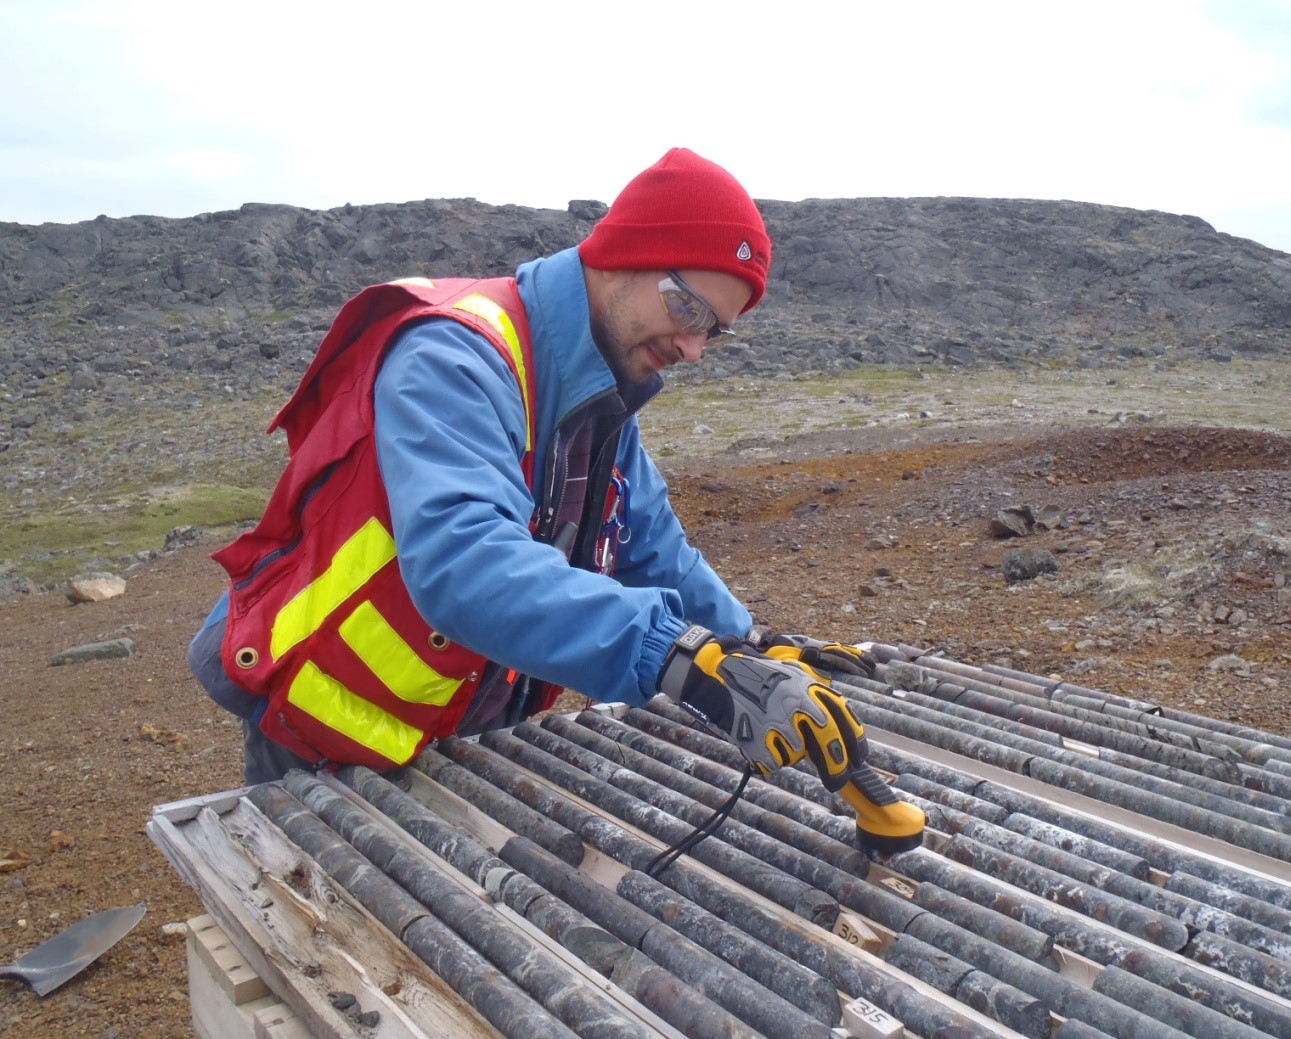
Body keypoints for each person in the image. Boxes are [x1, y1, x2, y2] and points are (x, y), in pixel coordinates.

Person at [188, 147, 877, 791]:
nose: (694, 348)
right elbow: (465, 562)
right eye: (686, 307)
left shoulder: (597, 388)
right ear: (624, 257)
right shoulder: (456, 357)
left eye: (714, 329)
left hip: (458, 727)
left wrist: (749, 643)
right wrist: (675, 656)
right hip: (328, 722)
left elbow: (649, 546)